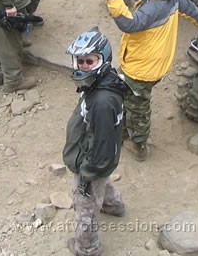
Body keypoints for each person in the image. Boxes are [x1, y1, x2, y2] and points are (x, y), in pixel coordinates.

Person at [105, 0, 198, 161]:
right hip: (152, 63)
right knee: (128, 97)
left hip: (142, 69)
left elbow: (129, 23)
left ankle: (139, 146)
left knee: (138, 107)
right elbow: (192, 11)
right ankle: (125, 131)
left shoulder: (155, 7)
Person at [63, 28, 128, 256]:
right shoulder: (104, 81)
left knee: (85, 207)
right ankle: (113, 205)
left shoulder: (102, 101)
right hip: (97, 155)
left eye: (89, 61)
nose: (83, 66)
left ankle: (87, 247)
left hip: (90, 164)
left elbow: (100, 150)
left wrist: (87, 173)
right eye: (80, 61)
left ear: (103, 59)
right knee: (104, 180)